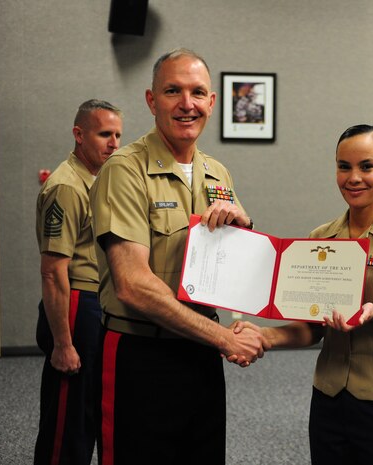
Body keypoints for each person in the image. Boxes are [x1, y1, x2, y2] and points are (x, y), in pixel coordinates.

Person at [232, 124, 373, 465]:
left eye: (367, 166)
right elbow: (313, 327)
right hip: (329, 399)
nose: (354, 178)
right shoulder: (320, 239)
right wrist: (266, 336)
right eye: (344, 166)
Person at [89, 48, 269, 464]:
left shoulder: (217, 173)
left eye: (197, 92)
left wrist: (245, 229)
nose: (186, 104)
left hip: (201, 353)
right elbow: (133, 285)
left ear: (212, 102)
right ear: (152, 101)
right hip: (141, 354)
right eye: (173, 91)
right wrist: (226, 338)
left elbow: (233, 267)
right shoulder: (125, 170)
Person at [34, 99, 123, 465]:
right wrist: (62, 344)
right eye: (105, 134)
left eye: (118, 134)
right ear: (79, 134)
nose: (114, 143)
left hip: (97, 305)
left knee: (91, 413)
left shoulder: (97, 178)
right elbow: (53, 271)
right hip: (75, 306)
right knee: (68, 423)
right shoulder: (66, 187)